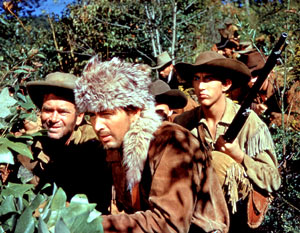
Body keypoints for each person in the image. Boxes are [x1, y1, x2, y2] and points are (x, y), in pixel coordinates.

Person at [75, 56, 229, 233]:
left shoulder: (172, 142)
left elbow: (169, 225)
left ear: (135, 111)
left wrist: (88, 223)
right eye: (92, 115)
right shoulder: (116, 143)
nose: (97, 125)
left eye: (106, 114)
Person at [174, 51, 281, 232]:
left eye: (208, 79)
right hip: (193, 205)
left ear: (226, 85)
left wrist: (239, 156)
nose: (200, 86)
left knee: (218, 161)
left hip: (238, 212)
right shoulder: (183, 123)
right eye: (196, 78)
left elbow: (273, 180)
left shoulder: (250, 122)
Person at [14, 72, 111, 213]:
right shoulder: (29, 149)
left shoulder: (94, 148)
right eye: (48, 110)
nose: (53, 118)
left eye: (62, 112)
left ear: (78, 117)